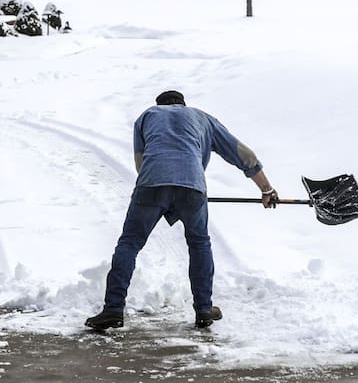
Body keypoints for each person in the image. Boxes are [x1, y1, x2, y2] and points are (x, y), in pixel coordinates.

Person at [85, 90, 278, 331]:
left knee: (129, 243)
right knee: (199, 243)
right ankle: (204, 308)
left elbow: (140, 163)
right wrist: (266, 189)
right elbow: (244, 155)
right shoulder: (202, 118)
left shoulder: (147, 116)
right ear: (183, 104)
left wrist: (163, 194)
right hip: (193, 186)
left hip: (151, 183)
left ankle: (113, 309)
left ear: (160, 105)